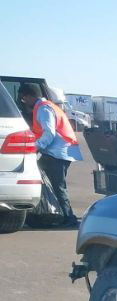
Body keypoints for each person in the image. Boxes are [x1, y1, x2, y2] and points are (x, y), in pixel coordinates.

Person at [18, 82, 82, 228]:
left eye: (23, 98)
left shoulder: (43, 109)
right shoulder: (47, 106)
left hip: (59, 152)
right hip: (60, 151)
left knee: (57, 185)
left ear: (29, 96)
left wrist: (35, 147)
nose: (24, 102)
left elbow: (49, 133)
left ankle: (68, 218)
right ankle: (55, 213)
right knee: (50, 182)